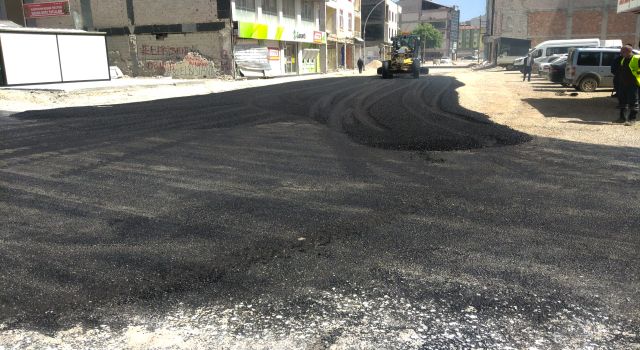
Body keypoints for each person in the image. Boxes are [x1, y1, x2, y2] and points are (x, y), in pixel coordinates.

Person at [614, 45, 639, 125]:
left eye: (622, 52)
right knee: (622, 101)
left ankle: (632, 119)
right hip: (623, 84)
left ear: (628, 51)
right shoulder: (624, 59)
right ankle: (622, 118)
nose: (621, 53)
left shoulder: (636, 59)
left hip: (633, 84)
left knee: (633, 102)